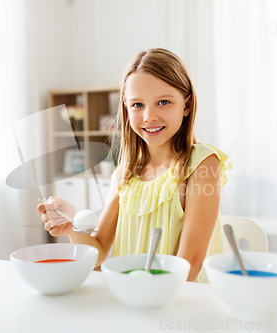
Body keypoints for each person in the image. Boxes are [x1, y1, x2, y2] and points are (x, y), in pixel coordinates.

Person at [37, 48, 228, 283]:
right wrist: (69, 228)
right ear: (126, 108)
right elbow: (98, 251)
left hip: (177, 303)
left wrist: (142, 300)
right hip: (135, 298)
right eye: (137, 105)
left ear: (186, 105)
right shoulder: (125, 173)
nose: (149, 116)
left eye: (164, 102)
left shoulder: (202, 164)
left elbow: (190, 262)